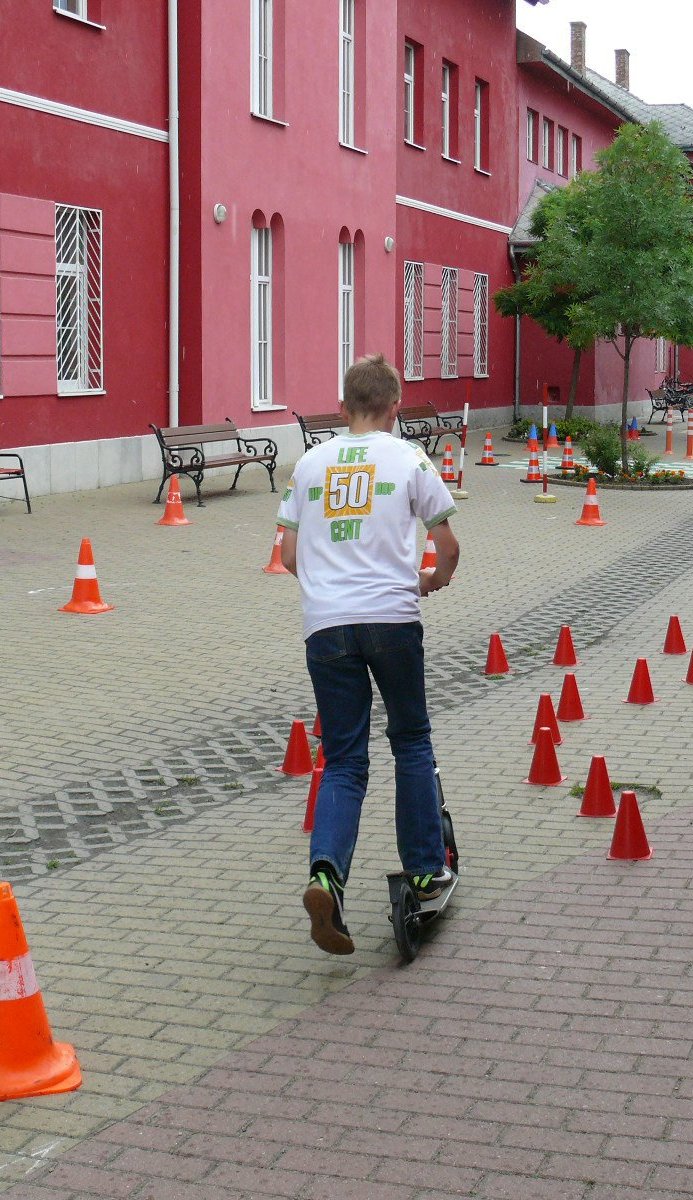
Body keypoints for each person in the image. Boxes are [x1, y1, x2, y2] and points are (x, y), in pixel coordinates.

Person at [277, 353, 459, 956]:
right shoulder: (410, 459)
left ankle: (325, 874)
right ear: (395, 408)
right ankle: (426, 873)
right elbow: (447, 546)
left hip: (325, 628)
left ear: (342, 406)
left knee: (345, 760)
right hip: (392, 620)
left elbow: (288, 556)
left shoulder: (308, 463)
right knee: (411, 740)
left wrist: (327, 584)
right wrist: (428, 581)